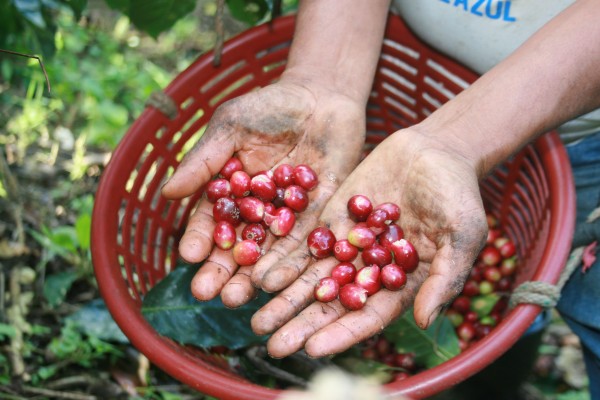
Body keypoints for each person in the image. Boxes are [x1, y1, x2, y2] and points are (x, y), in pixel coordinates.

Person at [161, 0, 600, 396]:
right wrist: (322, 79)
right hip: (395, 57)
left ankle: (503, 374)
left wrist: (460, 139)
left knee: (556, 297)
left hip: (579, 131)